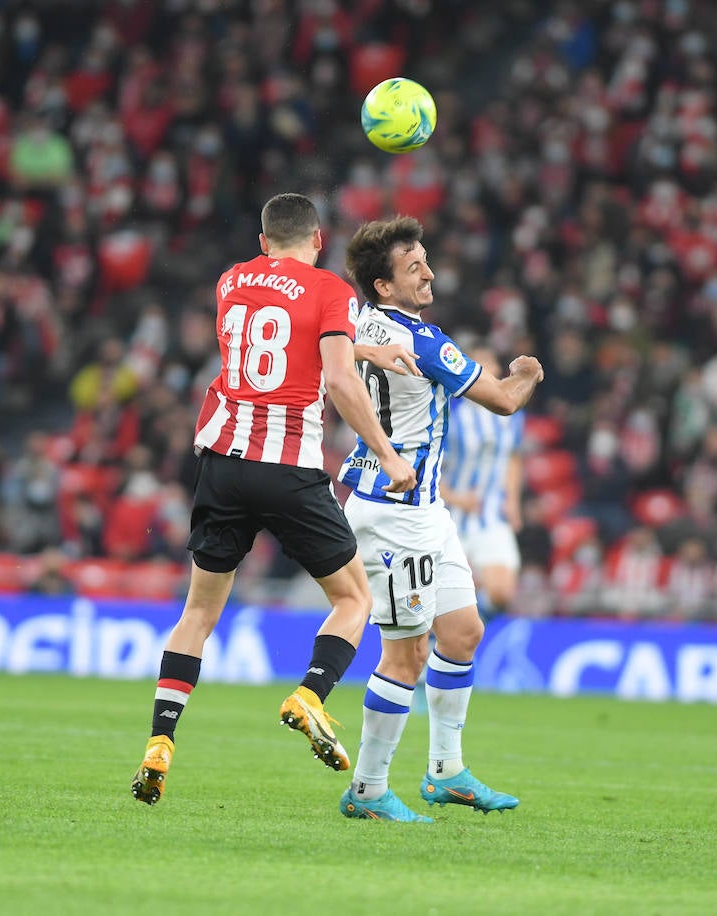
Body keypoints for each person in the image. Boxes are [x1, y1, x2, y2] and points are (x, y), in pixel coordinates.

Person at [132, 193, 419, 806]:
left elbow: (282, 342)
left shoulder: (231, 281)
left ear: (263, 242)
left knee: (198, 616)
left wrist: (364, 348)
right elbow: (333, 375)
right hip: (288, 466)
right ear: (319, 242)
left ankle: (160, 741)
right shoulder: (331, 291)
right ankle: (310, 693)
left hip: (222, 467)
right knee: (353, 598)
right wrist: (389, 455)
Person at [336, 216, 543, 822]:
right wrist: (526, 375)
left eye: (425, 258)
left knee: (464, 632)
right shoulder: (426, 343)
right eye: (411, 266)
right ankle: (368, 789)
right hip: (394, 513)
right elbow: (503, 401)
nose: (427, 270)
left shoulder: (352, 323)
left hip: (426, 509)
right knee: (406, 655)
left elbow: (324, 351)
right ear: (383, 285)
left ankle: (446, 770)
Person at [441, 343, 526, 616]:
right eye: (482, 365)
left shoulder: (512, 415)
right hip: (452, 514)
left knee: (502, 593)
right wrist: (455, 498)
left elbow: (513, 457)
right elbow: (427, 466)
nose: (490, 372)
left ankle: (471, 634)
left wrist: (512, 500)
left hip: (492, 514)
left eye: (492, 365)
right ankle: (447, 643)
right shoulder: (450, 415)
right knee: (451, 594)